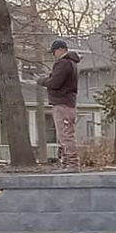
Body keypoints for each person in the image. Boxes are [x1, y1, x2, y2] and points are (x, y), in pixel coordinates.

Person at [40, 38, 81, 168]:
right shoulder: (72, 63)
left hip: (62, 103)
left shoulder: (63, 63)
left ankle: (72, 163)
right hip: (68, 103)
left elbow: (55, 82)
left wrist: (42, 81)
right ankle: (66, 163)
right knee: (65, 134)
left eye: (54, 51)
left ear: (61, 49)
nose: (54, 55)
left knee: (66, 135)